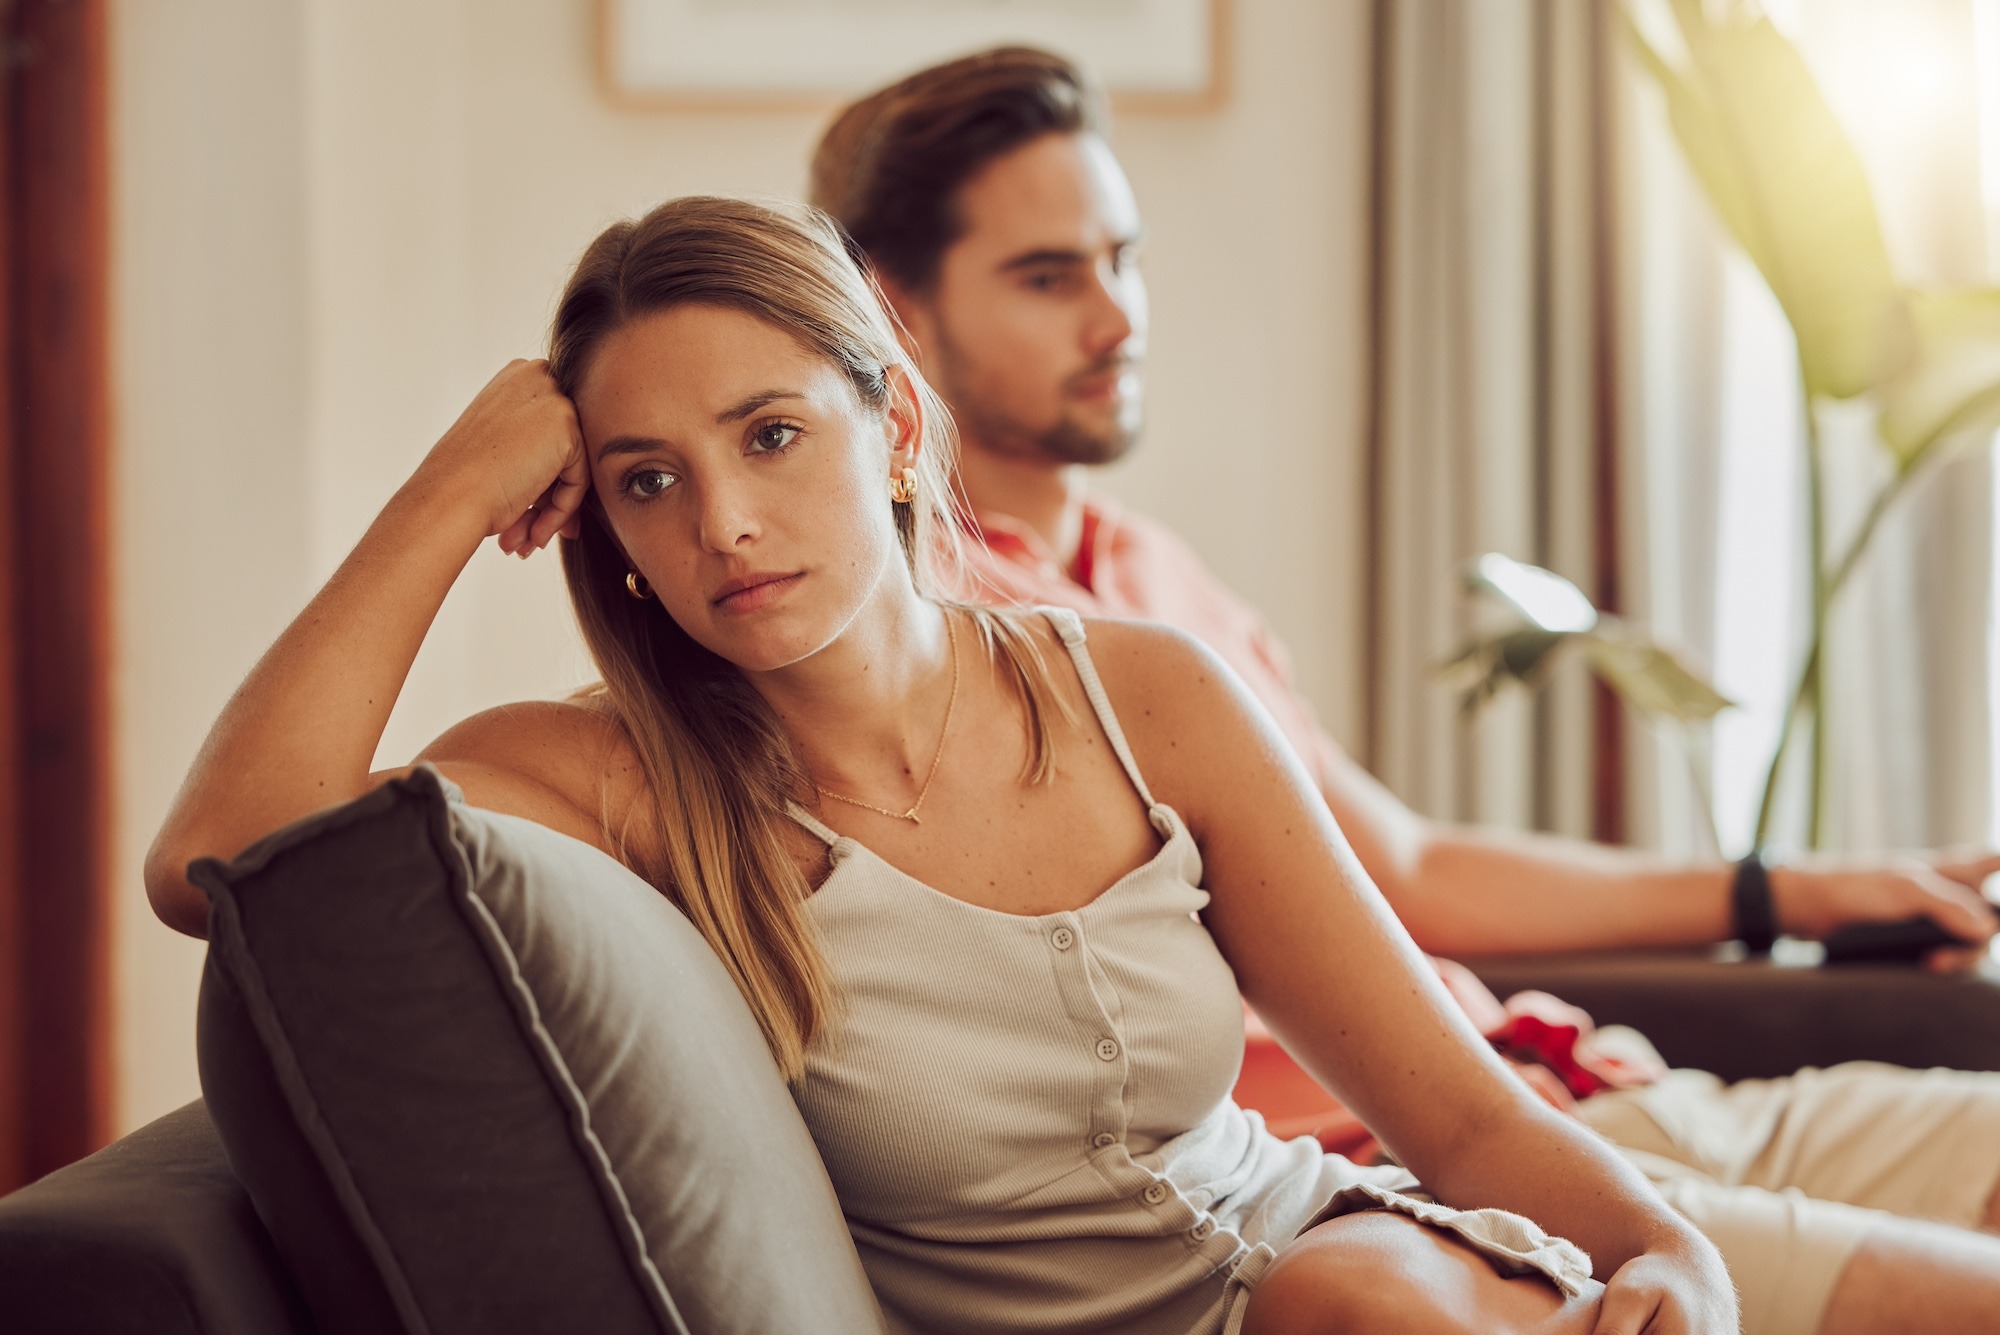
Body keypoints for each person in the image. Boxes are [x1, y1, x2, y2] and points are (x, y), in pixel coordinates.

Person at [146, 196, 1733, 1333]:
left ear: (896, 427)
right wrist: (446, 494)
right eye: (646, 480)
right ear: (602, 528)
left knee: (1364, 1299)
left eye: (772, 435)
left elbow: (1456, 1120)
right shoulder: (604, 784)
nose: (725, 526)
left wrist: (1676, 1253)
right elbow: (219, 863)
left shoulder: (1144, 695)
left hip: (1347, 1273)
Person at [808, 46, 2000, 1335]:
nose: (1118, 317)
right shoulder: (941, 652)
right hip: (1424, 1178)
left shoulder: (1148, 570)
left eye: (1123, 258)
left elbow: (1405, 861)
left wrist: (1785, 891)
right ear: (894, 314)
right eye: (1049, 278)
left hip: (1574, 1089)